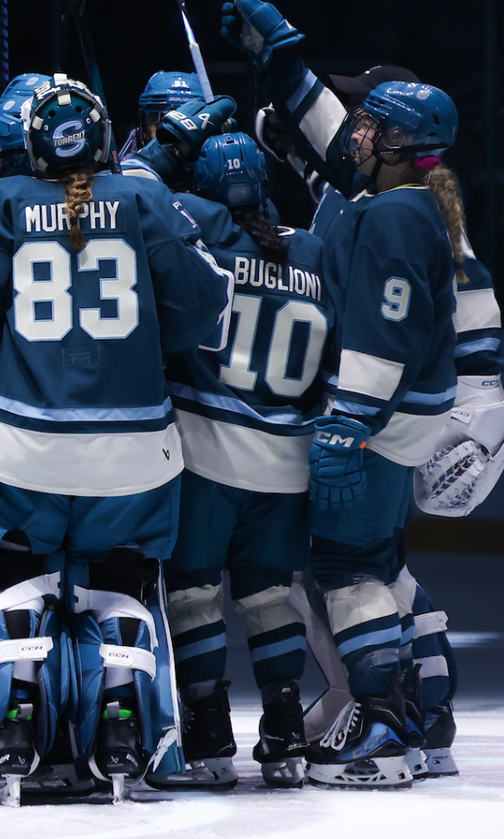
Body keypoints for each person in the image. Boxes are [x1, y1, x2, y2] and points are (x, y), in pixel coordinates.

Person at [0, 76, 233, 804]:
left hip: (14, 447)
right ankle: (121, 723)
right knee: (117, 590)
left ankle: (14, 720)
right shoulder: (147, 199)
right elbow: (199, 309)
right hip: (133, 454)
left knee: (11, 585)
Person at [221, 0, 467, 790]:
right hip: (407, 418)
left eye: (370, 124)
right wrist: (278, 60)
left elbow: (383, 329)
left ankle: (382, 726)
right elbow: (340, 247)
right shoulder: (399, 206)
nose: (356, 131)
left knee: (347, 571)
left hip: (380, 420)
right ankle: (411, 711)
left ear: (398, 140)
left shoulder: (395, 216)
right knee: (370, 564)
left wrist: (348, 419)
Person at [149, 132, 334, 790]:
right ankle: (284, 728)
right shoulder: (311, 249)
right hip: (288, 463)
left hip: (208, 455)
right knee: (269, 597)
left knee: (194, 595)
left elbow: (143, 194)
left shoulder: (201, 234)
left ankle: (209, 729)